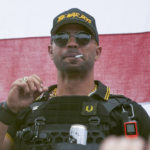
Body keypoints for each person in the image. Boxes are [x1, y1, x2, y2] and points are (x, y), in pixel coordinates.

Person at [0, 8, 150, 150]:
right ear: (51, 51)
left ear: (97, 52)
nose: (72, 43)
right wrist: (9, 110)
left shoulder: (127, 113)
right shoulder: (24, 112)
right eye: (61, 38)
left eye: (83, 38)